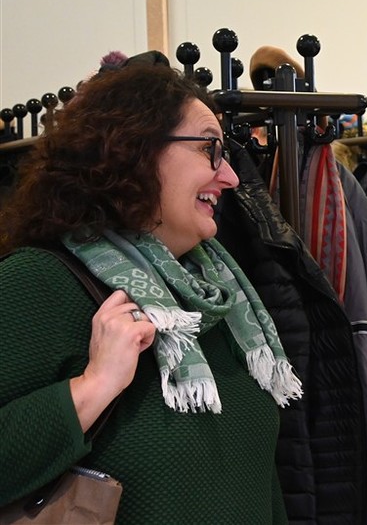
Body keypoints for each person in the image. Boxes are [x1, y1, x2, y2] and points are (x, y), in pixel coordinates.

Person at [0, 58, 302, 523]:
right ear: (134, 151)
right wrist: (93, 386)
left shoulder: (220, 295)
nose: (231, 176)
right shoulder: (38, 283)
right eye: (209, 149)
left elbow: (258, 485)